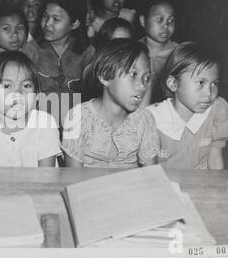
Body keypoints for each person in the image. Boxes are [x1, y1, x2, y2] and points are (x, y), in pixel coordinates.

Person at [61, 39, 159, 168]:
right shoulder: (78, 118)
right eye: (133, 74)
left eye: (147, 78)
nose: (142, 86)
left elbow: (151, 177)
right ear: (105, 77)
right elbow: (73, 179)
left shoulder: (144, 120)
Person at [0, 51, 61, 167]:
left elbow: (46, 176)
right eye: (7, 86)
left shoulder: (45, 123)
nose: (18, 93)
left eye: (26, 86)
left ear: (36, 94)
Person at [147, 42, 228, 170]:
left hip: (201, 187)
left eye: (214, 84)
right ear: (173, 83)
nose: (209, 93)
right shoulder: (152, 119)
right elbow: (148, 171)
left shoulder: (216, 111)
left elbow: (215, 162)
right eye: (201, 83)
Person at [23, 0, 95, 126]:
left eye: (56, 19)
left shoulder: (88, 53)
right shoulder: (30, 51)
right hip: (39, 127)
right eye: (45, 16)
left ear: (75, 23)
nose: (47, 24)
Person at [82, 17, 133, 102]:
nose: (120, 48)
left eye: (125, 42)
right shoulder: (90, 71)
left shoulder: (137, 71)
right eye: (114, 42)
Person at [139, 0, 178, 105]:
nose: (166, 25)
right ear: (143, 21)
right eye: (159, 19)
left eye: (171, 21)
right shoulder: (133, 51)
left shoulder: (178, 54)